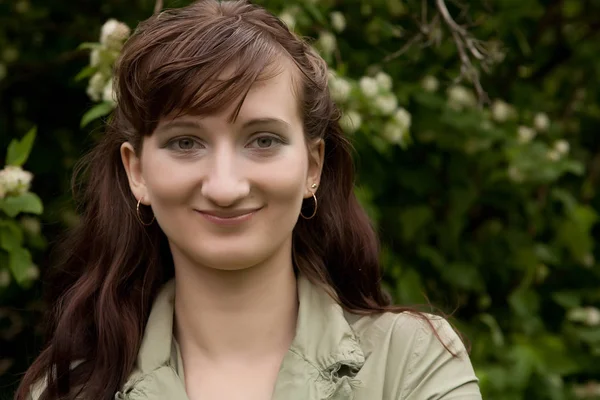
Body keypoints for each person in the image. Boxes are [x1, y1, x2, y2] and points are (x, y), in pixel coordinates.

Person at [17, 1, 482, 399]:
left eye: (262, 140)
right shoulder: (68, 390)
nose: (225, 186)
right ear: (136, 171)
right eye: (185, 143)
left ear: (313, 167)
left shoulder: (411, 364)